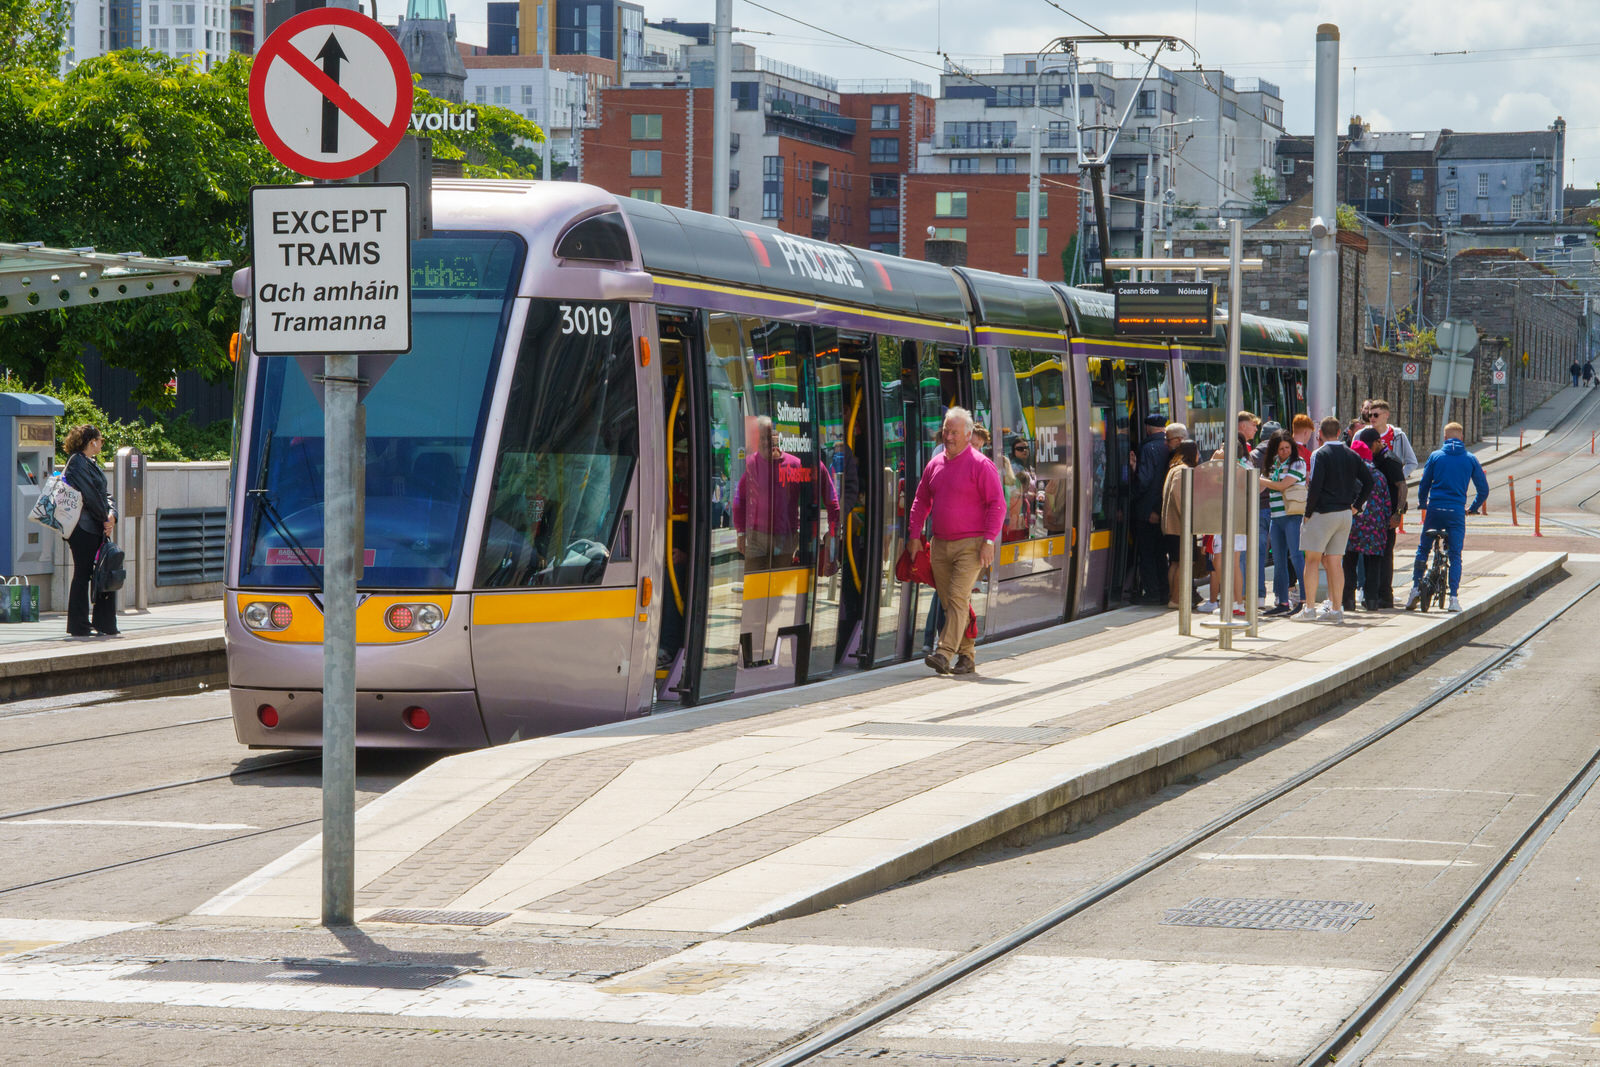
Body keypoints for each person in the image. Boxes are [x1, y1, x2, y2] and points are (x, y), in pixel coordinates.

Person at [908, 407, 1005, 676]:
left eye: (954, 432)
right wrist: (914, 536)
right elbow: (920, 501)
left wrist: (988, 541)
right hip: (940, 544)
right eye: (946, 431)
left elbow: (997, 504)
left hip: (971, 545)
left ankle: (944, 652)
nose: (948, 437)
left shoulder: (981, 465)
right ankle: (967, 656)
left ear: (968, 434)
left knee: (958, 596)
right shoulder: (935, 464)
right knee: (951, 602)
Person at [1296, 416, 1373, 624]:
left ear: (1320, 434)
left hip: (1322, 513)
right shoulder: (1351, 454)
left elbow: (1315, 486)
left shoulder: (1319, 454)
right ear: (1339, 433)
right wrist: (1356, 505)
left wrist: (1307, 512)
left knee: (1311, 560)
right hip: (1345, 514)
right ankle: (1337, 609)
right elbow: (1369, 481)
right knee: (1335, 562)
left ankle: (1310, 608)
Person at [1407, 421, 1489, 613]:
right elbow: (1483, 490)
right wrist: (1473, 507)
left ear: (1444, 438)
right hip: (1456, 512)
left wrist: (1422, 503)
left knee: (1423, 549)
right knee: (1455, 555)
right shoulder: (1470, 459)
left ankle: (1415, 589)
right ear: (1462, 437)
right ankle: (1453, 598)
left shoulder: (1435, 456)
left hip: (1435, 509)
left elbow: (1424, 483)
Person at [61, 423, 118, 637]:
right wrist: (105, 518)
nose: (102, 443)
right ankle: (79, 624)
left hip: (94, 526)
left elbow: (105, 495)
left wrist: (112, 515)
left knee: (98, 572)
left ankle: (102, 623)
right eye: (100, 439)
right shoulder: (77, 462)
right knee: (83, 573)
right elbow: (90, 495)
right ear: (91, 441)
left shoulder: (90, 462)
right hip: (83, 528)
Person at [1355, 424, 1407, 608]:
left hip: (1388, 515)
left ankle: (1385, 595)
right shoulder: (1374, 457)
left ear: (1379, 442)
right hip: (1376, 515)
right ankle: (1375, 593)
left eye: (1370, 445)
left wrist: (1398, 514)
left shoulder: (1389, 459)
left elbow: (1402, 486)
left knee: (1384, 556)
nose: (1368, 449)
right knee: (1375, 556)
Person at [1260, 429, 1307, 616]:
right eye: (1280, 449)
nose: (1284, 451)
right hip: (1276, 517)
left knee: (1296, 557)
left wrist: (1259, 479)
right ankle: (1282, 601)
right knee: (1278, 561)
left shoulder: (1298, 463)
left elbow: (1281, 485)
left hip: (1293, 515)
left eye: (1287, 447)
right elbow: (1267, 486)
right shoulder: (1273, 464)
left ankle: (1304, 599)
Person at [1341, 439, 1392, 611]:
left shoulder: (1348, 474)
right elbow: (1386, 503)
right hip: (1375, 527)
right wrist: (1385, 523)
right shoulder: (1379, 476)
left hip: (1352, 525)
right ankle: (1371, 601)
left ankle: (1348, 600)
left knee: (1349, 563)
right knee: (1373, 564)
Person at [1131, 413, 1172, 605]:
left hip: (1147, 512)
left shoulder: (1147, 448)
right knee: (1161, 553)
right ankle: (1165, 591)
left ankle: (1153, 592)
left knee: (1147, 553)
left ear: (1148, 428)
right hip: (1164, 510)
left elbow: (1144, 481)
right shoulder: (1169, 446)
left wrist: (1133, 470)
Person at [1159, 428, 1195, 607]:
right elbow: (1179, 496)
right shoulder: (1182, 470)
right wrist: (1190, 519)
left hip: (1172, 526)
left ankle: (1174, 598)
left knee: (1175, 562)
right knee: (1182, 563)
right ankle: (1176, 598)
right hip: (1180, 526)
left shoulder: (1174, 467)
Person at [1249, 419, 1282, 606]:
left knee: (1259, 554)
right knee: (1280, 553)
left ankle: (1259, 596)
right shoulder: (1283, 455)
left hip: (1259, 509)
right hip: (1279, 508)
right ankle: (1280, 595)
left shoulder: (1253, 455)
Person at [1364, 400, 1419, 478]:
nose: (1372, 418)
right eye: (1370, 415)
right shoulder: (1361, 434)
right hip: (1369, 485)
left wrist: (1399, 477)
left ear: (1386, 415)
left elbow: (1412, 462)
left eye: (1376, 415)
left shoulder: (1398, 435)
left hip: (1390, 487)